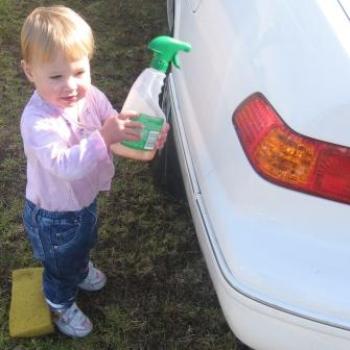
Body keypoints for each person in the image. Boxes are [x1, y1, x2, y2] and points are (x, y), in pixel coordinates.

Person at [20, 5, 169, 338]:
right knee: (60, 266)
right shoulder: (37, 122)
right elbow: (67, 166)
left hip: (83, 201)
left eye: (79, 71)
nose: (70, 85)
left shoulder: (92, 97)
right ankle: (60, 303)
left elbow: (115, 137)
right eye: (56, 76)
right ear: (30, 72)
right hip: (54, 216)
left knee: (84, 241)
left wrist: (145, 137)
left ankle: (80, 267)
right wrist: (104, 135)